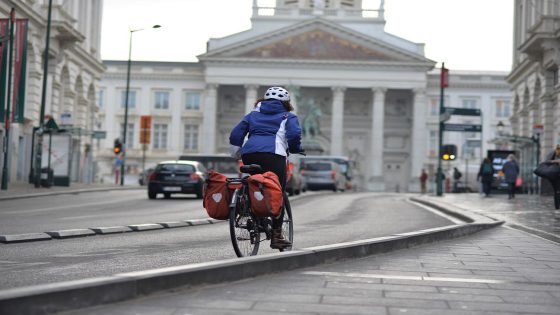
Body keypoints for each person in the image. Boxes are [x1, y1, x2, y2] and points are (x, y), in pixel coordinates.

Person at [229, 86, 304, 249]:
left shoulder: (252, 115)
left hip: (249, 153)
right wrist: (296, 148)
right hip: (274, 155)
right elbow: (293, 135)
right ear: (286, 103)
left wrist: (236, 153)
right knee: (278, 191)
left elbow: (236, 134)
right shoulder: (288, 116)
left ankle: (247, 211)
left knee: (252, 183)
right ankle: (276, 234)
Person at [543, 144, 560, 209]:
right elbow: (548, 162)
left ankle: (557, 205)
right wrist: (555, 161)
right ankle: (557, 205)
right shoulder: (553, 153)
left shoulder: (552, 153)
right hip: (555, 174)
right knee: (557, 190)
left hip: (553, 174)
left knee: (557, 190)